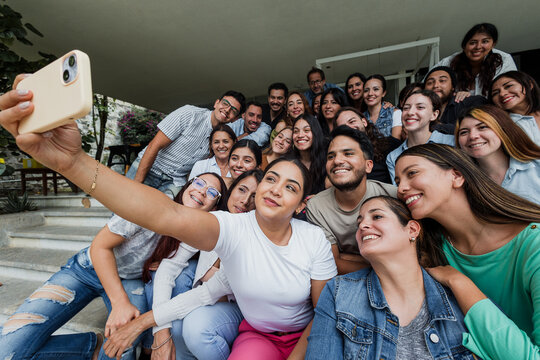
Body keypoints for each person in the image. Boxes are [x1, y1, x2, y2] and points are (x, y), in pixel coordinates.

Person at [0, 80, 337, 360]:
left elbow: (324, 312)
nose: (276, 189)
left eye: (290, 187)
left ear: (300, 205)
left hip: (306, 334)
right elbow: (165, 214)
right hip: (254, 335)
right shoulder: (233, 228)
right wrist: (72, 163)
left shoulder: (313, 239)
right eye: (271, 179)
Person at [0, 171, 226, 360]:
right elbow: (100, 247)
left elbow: (171, 269)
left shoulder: (192, 235)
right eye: (199, 182)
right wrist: (119, 303)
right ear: (187, 185)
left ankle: (94, 346)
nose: (202, 191)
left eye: (212, 192)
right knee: (8, 349)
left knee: (122, 346)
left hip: (131, 280)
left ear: (214, 206)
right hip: (87, 269)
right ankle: (92, 344)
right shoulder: (149, 203)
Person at [394, 143, 540, 359]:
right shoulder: (429, 249)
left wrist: (459, 282)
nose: (401, 189)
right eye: (397, 181)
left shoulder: (534, 244)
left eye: (412, 173)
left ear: (457, 176)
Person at [306, 196, 478, 359]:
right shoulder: (338, 292)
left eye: (377, 216)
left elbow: (501, 345)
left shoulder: (458, 295)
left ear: (412, 230)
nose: (363, 225)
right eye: (359, 223)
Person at [143, 170, 263, 360]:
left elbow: (208, 293)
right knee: (177, 325)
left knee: (195, 326)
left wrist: (149, 321)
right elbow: (169, 266)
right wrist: (161, 329)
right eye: (242, 190)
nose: (245, 200)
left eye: (255, 196)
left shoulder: (253, 236)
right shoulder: (212, 223)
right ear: (231, 191)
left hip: (239, 311)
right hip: (205, 303)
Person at [306, 126, 396, 275]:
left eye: (348, 153)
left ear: (368, 165)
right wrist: (384, 265)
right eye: (331, 156)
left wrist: (345, 257)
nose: (337, 161)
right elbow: (332, 263)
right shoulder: (316, 207)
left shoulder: (392, 196)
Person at [127, 90, 245, 197]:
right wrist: (137, 185)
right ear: (216, 103)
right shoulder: (190, 114)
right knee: (124, 209)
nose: (227, 110)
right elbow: (154, 145)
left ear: (234, 119)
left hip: (175, 181)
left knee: (158, 217)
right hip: (152, 167)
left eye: (233, 110)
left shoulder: (218, 140)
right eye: (225, 103)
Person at [456, 105, 540, 204]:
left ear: (502, 129)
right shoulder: (461, 183)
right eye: (464, 132)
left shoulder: (536, 167)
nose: (472, 136)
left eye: (482, 127)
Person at [386, 90, 454, 183]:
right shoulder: (393, 157)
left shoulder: (452, 142)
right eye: (406, 108)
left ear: (434, 114)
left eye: (420, 107)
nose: (410, 112)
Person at [432, 23, 517, 97]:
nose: (478, 47)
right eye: (473, 43)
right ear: (464, 47)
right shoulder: (449, 62)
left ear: (493, 44)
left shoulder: (503, 60)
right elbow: (426, 84)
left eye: (485, 41)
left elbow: (511, 92)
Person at [334, 107, 401, 184]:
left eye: (352, 122)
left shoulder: (390, 144)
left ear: (364, 122)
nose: (349, 128)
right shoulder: (339, 158)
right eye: (343, 127)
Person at [424, 66, 487, 134]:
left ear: (453, 87)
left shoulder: (470, 102)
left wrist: (428, 126)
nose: (436, 85)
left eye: (442, 81)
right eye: (430, 82)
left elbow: (472, 129)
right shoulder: (419, 111)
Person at [490, 70, 540, 145]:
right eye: (496, 93)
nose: (502, 94)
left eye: (508, 86)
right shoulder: (500, 127)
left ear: (529, 85)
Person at [292, 114, 328, 195]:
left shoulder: (327, 160)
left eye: (306, 130)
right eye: (296, 131)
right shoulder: (289, 162)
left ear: (316, 133)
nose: (300, 135)